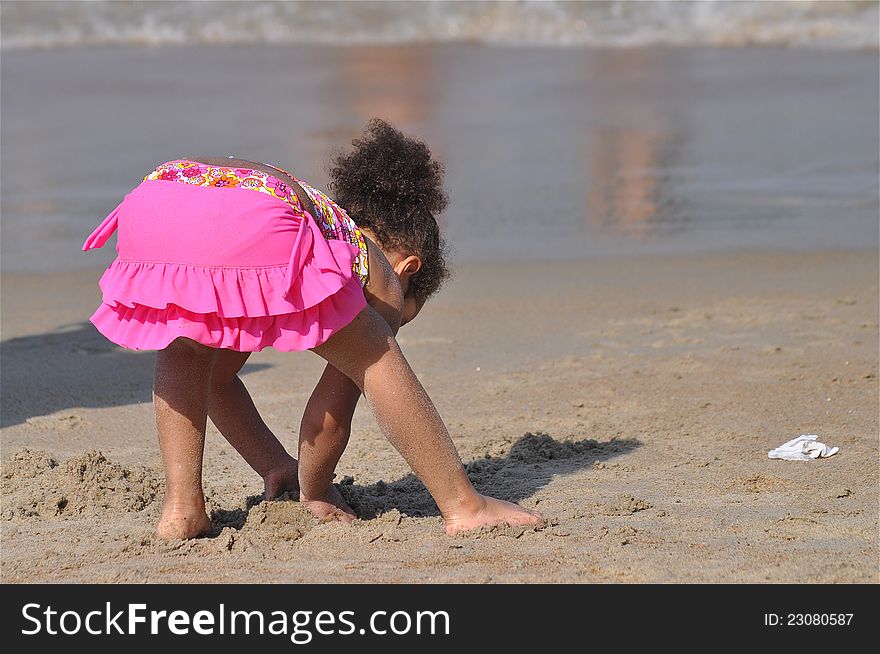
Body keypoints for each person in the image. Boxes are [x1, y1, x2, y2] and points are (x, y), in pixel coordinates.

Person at [83, 119, 542, 539]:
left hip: (160, 196)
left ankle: (182, 510)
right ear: (409, 268)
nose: (398, 317)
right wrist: (315, 488)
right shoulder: (380, 274)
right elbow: (329, 416)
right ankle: (464, 506)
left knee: (190, 349)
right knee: (377, 357)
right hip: (255, 211)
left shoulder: (328, 225)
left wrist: (279, 465)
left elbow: (218, 385)